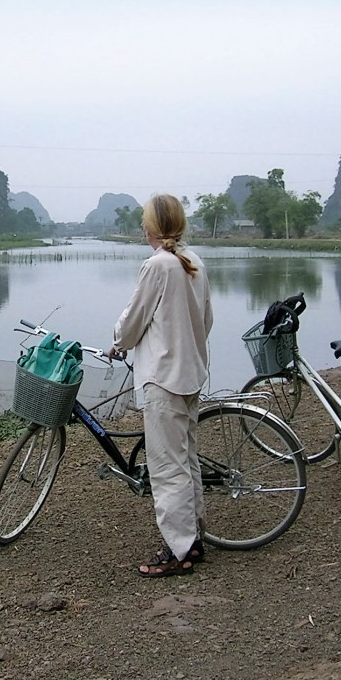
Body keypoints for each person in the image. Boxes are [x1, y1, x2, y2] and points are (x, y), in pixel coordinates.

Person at [110, 194, 213, 577]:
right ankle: (193, 538)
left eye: (145, 221)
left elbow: (133, 321)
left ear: (152, 227)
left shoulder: (157, 265)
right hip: (191, 374)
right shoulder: (194, 261)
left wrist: (119, 341)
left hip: (163, 379)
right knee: (186, 459)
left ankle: (179, 550)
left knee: (167, 467)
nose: (142, 227)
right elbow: (206, 319)